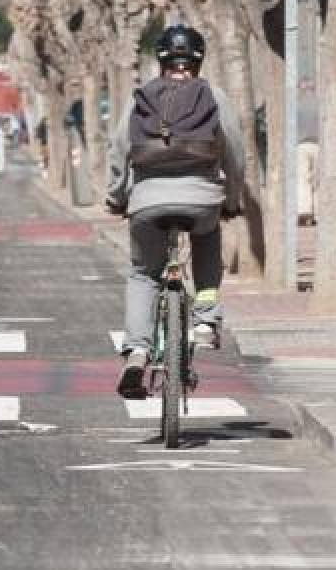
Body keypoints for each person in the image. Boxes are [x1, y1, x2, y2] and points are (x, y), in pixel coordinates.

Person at [105, 24, 245, 399]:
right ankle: (204, 321)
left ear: (160, 59)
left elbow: (120, 149)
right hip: (202, 199)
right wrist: (231, 199)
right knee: (207, 242)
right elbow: (234, 152)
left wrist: (117, 196)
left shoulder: (142, 98)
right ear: (200, 59)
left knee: (143, 275)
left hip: (147, 202)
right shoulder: (214, 96)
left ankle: (136, 351)